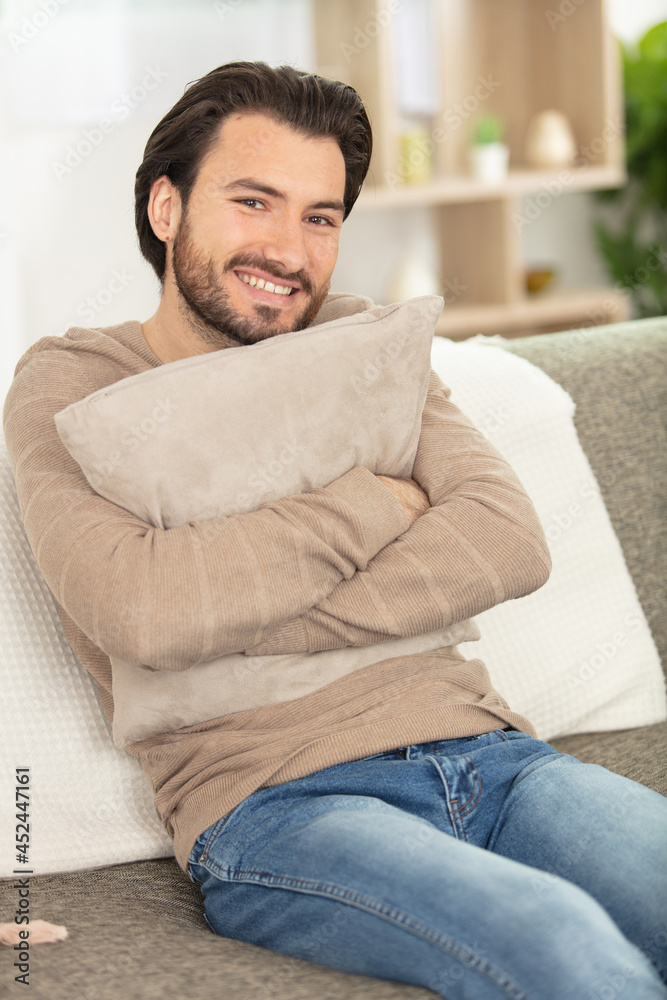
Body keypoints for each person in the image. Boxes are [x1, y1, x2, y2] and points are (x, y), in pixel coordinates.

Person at [4, 62, 667, 1000]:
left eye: (320, 216)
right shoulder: (72, 383)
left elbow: (506, 541)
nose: (289, 247)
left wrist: (222, 622)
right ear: (166, 206)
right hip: (278, 804)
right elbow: (144, 614)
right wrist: (377, 502)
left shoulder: (364, 345)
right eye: (253, 201)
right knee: (562, 948)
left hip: (495, 756)